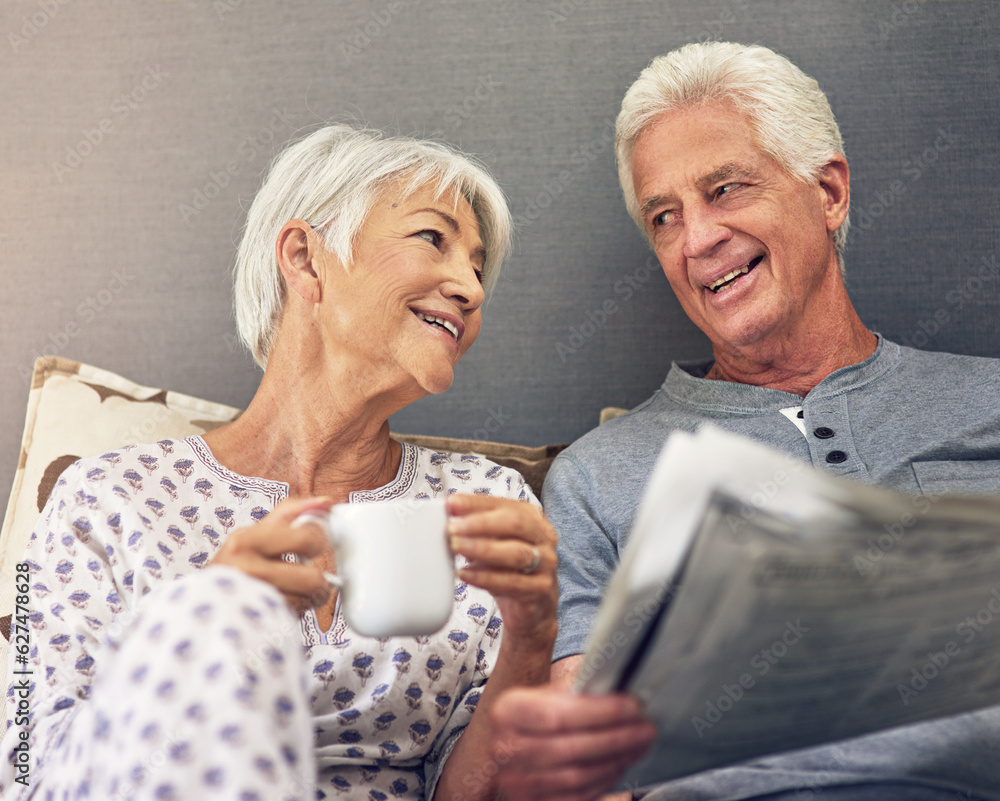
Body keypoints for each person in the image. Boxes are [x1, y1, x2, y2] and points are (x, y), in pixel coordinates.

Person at [491, 41, 1000, 801]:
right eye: (665, 216)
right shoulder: (599, 477)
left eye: (725, 189)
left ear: (829, 192)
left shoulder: (986, 402)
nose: (697, 240)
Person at [1, 125, 559, 800]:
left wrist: (532, 641)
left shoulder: (487, 507)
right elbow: (30, 775)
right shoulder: (103, 498)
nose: (469, 286)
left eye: (476, 265)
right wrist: (196, 636)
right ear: (304, 257)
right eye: (432, 238)